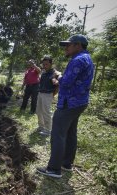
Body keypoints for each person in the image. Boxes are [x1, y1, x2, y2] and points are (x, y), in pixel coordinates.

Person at [37, 34, 94, 178]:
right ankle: (66, 163)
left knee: (58, 134)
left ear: (78, 45)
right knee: (70, 133)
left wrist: (58, 77)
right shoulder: (87, 58)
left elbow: (67, 82)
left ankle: (54, 169)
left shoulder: (78, 60)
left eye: (68, 45)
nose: (65, 48)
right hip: (79, 102)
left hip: (69, 102)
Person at [35, 55, 60, 136]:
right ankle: (41, 126)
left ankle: (48, 130)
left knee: (46, 112)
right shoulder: (44, 72)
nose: (44, 66)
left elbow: (57, 86)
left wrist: (52, 94)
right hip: (40, 93)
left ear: (51, 64)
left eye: (46, 64)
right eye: (43, 64)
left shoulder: (55, 73)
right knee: (39, 111)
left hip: (48, 94)